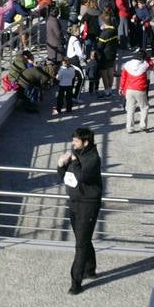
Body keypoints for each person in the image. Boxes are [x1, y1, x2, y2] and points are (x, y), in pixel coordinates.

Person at [58, 126, 103, 294]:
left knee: (80, 244)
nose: (73, 143)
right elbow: (67, 178)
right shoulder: (77, 154)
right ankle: (90, 268)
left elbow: (81, 176)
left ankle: (75, 282)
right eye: (73, 140)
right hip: (75, 203)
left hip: (88, 204)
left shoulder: (92, 159)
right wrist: (60, 165)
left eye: (76, 141)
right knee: (82, 238)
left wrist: (74, 161)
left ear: (86, 142)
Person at [119, 50, 152, 133]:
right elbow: (151, 64)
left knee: (130, 109)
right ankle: (143, 125)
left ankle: (129, 128)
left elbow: (123, 78)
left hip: (129, 89)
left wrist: (121, 88)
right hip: (140, 89)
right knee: (144, 107)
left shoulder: (127, 65)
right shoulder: (145, 65)